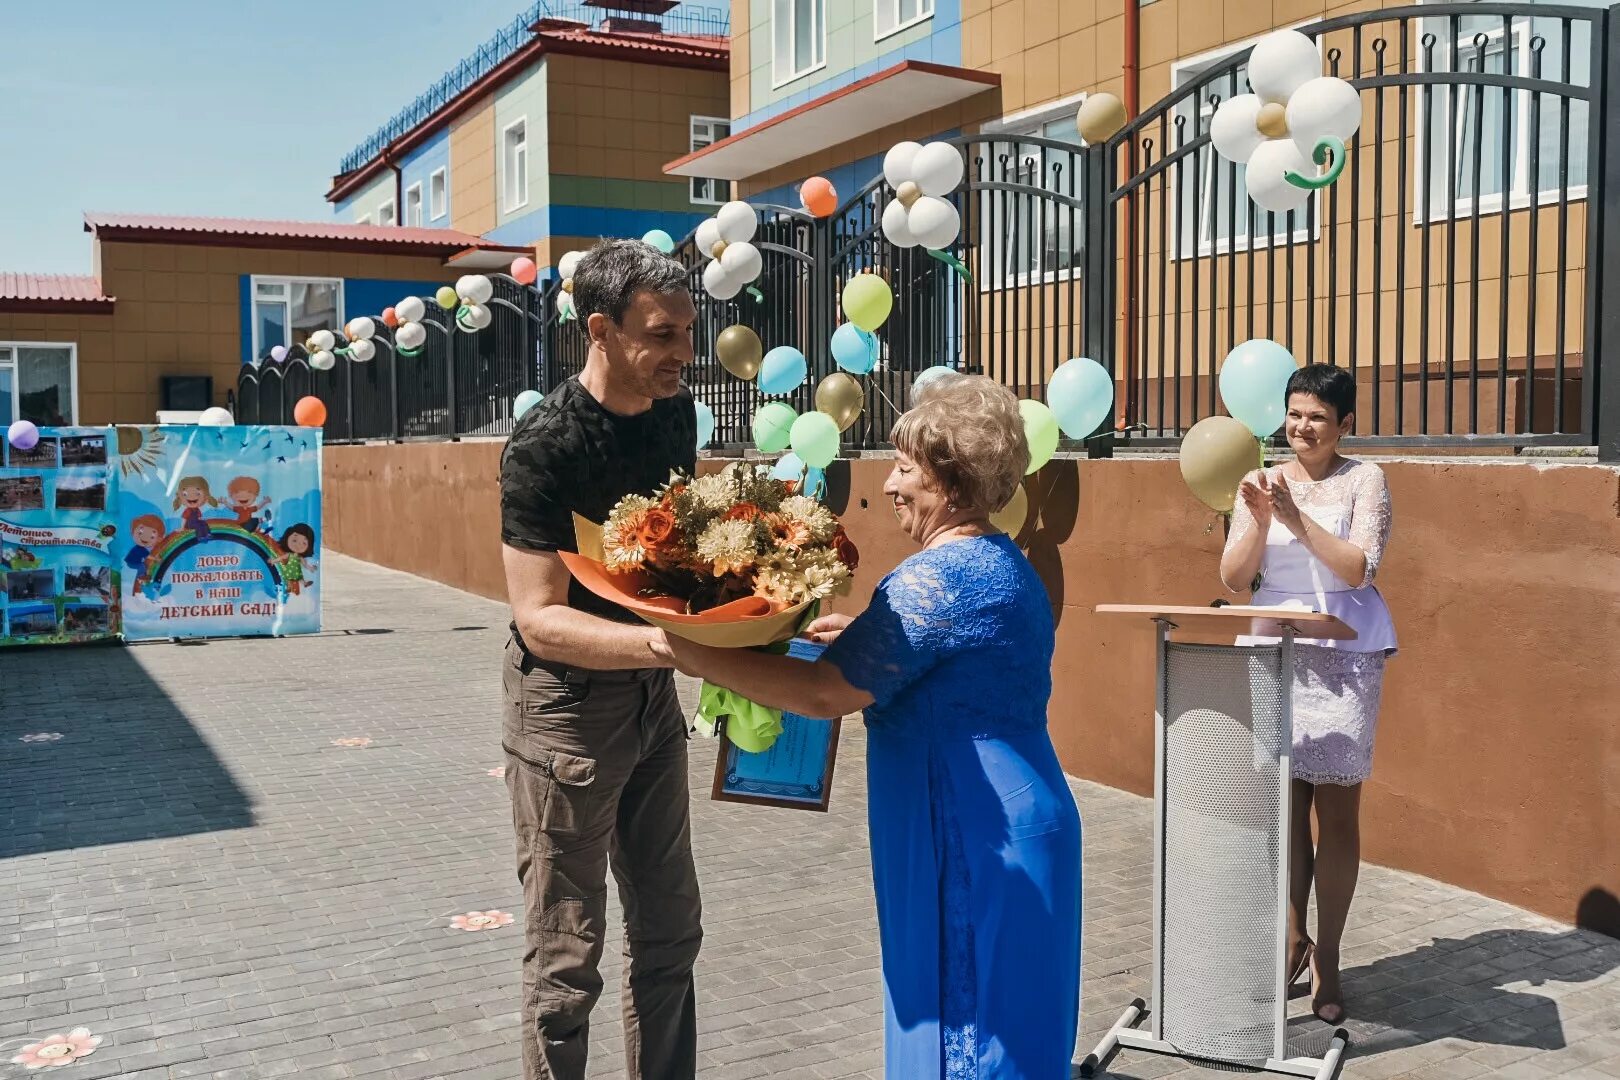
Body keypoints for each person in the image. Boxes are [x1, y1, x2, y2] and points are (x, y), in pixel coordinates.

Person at [650, 374, 1083, 1079]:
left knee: (965, 1025)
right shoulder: (1003, 562)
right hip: (1021, 811)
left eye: (906, 467)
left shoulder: (934, 581)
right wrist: (866, 636)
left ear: (949, 481)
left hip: (970, 831)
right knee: (1016, 1025)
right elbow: (960, 661)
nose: (889, 485)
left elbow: (823, 694)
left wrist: (687, 649)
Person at [499, 239, 701, 1080]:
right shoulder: (545, 443)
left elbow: (675, 557)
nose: (682, 354)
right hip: (566, 714)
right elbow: (539, 619)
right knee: (566, 958)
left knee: (671, 933)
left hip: (653, 701)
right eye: (661, 334)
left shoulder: (676, 416)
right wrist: (669, 645)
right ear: (601, 331)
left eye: (689, 332)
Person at [1219, 363, 1396, 1025]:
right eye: (1295, 414)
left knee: (1337, 814)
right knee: (1285, 807)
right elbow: (1235, 577)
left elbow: (1358, 568)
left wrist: (1298, 515)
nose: (1303, 427)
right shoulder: (1261, 481)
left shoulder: (1365, 479)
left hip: (1345, 655)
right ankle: (1292, 935)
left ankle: (1331, 955)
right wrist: (1264, 521)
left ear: (1344, 424)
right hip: (1275, 649)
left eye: (1318, 417)